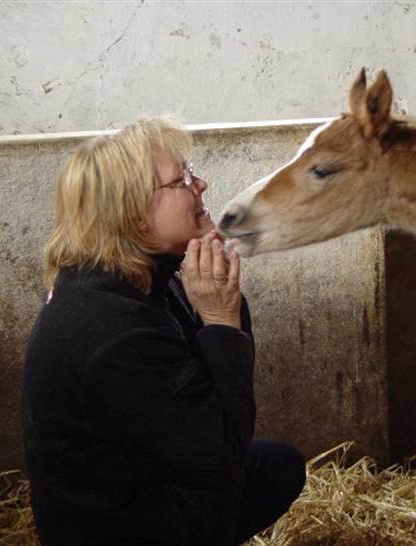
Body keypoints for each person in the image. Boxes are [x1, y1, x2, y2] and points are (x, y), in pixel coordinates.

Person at [21, 116, 306, 545]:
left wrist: (220, 307)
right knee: (252, 470)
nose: (202, 185)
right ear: (133, 215)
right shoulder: (114, 330)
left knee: (277, 465)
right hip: (117, 526)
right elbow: (222, 454)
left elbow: (210, 405)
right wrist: (222, 320)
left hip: (145, 482)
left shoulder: (140, 277)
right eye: (182, 180)